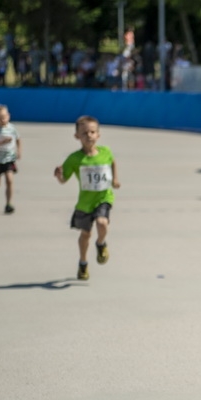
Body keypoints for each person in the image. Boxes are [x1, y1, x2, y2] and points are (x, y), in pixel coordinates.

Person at [54, 115, 120, 281]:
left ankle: (101, 243)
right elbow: (63, 180)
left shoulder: (105, 152)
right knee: (85, 235)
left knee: (102, 222)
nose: (89, 135)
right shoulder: (74, 159)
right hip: (85, 203)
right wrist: (59, 176)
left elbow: (112, 162)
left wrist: (115, 179)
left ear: (98, 134)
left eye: (92, 132)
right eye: (84, 133)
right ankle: (83, 263)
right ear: (77, 136)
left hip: (104, 197)